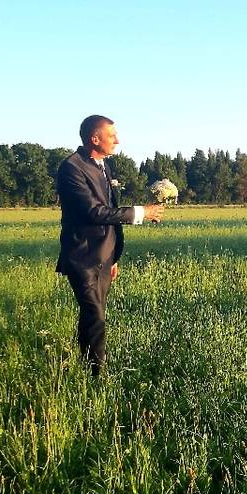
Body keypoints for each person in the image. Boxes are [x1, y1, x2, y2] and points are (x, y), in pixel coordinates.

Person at [55, 115, 164, 375]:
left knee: (93, 314)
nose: (117, 140)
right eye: (111, 135)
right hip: (83, 256)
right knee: (96, 316)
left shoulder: (103, 166)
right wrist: (140, 213)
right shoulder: (71, 168)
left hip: (104, 256)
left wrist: (113, 258)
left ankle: (85, 366)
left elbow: (108, 210)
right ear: (95, 138)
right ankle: (97, 377)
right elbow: (94, 212)